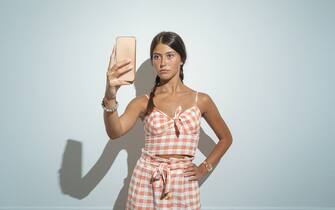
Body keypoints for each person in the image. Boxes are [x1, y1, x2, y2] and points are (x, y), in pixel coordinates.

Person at [102, 31, 233, 209]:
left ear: (182, 58)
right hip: (145, 181)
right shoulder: (142, 102)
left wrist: (203, 168)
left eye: (169, 55)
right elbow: (114, 132)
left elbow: (226, 138)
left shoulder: (201, 100)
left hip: (183, 183)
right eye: (156, 57)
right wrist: (110, 95)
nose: (162, 63)